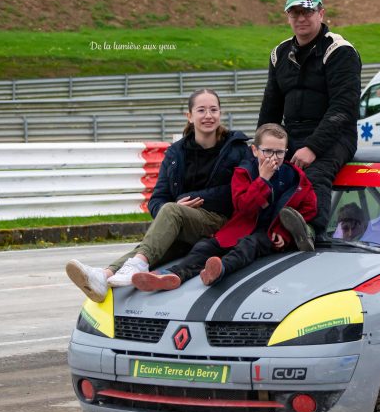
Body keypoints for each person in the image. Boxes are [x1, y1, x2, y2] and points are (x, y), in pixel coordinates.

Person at [65, 89, 250, 301]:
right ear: (189, 116)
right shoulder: (176, 153)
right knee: (153, 242)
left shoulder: (236, 148)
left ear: (220, 113)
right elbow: (157, 199)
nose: (208, 115)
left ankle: (133, 265)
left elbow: (233, 192)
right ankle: (104, 276)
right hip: (183, 224)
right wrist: (173, 211)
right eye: (201, 110)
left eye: (213, 110)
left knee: (170, 212)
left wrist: (182, 204)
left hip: (221, 223)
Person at [132, 123, 317, 291]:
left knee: (248, 246)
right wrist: (262, 180)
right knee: (204, 246)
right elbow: (244, 207)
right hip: (239, 227)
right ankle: (173, 275)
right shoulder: (244, 172)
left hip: (267, 233)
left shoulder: (295, 176)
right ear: (254, 151)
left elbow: (310, 206)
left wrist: (283, 231)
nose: (274, 158)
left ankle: (220, 270)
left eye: (279, 152)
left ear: (286, 152)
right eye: (267, 151)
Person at [258, 0, 362, 248]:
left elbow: (343, 108)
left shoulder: (340, 51)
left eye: (307, 11)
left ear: (321, 13)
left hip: (336, 135)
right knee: (255, 169)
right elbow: (271, 107)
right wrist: (261, 147)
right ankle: (258, 226)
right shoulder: (279, 53)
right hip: (292, 134)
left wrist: (313, 148)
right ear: (287, 17)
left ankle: (311, 232)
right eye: (294, 13)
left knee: (315, 173)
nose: (301, 18)